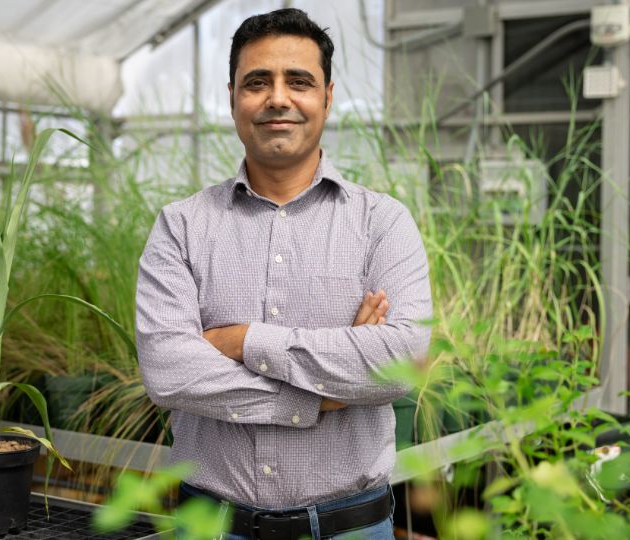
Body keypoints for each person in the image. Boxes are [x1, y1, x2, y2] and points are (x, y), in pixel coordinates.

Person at [136, 8, 432, 539]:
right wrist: (324, 392)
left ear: (327, 96)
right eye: (257, 82)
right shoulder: (180, 226)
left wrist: (242, 340)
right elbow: (168, 369)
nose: (278, 98)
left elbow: (402, 359)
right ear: (232, 98)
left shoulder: (381, 223)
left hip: (351, 529)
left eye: (299, 81)